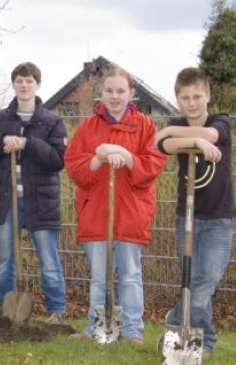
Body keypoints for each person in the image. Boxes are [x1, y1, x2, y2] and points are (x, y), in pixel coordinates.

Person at [64, 67, 167, 344]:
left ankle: (133, 330)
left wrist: (126, 156)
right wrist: (98, 159)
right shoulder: (88, 127)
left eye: (121, 91)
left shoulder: (146, 126)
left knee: (131, 276)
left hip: (131, 213)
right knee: (99, 277)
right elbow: (74, 165)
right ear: (102, 93)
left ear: (131, 94)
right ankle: (96, 327)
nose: (115, 96)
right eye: (109, 90)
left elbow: (154, 163)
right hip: (96, 213)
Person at [155, 67, 236, 359]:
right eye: (185, 97)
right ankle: (206, 342)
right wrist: (196, 141)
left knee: (206, 280)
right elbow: (162, 144)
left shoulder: (221, 121)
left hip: (218, 219)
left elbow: (213, 134)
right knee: (194, 278)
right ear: (178, 99)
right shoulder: (177, 122)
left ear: (208, 96)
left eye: (197, 96)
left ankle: (174, 322)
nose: (192, 103)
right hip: (186, 218)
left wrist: (178, 132)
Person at [0, 62, 68, 325]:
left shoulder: (52, 121)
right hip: (8, 200)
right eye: (19, 80)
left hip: (41, 201)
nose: (24, 85)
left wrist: (28, 144)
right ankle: (3, 306)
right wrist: (1, 140)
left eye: (29, 81)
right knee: (6, 258)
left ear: (37, 84)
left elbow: (58, 160)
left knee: (48, 257)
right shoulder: (0, 119)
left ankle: (56, 311)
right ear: (14, 84)